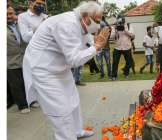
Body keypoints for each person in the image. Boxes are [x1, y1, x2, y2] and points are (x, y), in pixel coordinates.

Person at [22, 1, 110, 139]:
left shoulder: (81, 25)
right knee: (60, 108)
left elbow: (91, 43)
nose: (98, 25)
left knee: (73, 100)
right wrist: (97, 47)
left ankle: (76, 131)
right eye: (97, 21)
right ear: (86, 16)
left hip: (60, 67)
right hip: (42, 69)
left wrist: (97, 44)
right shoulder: (67, 24)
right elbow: (75, 60)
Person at [7, 6, 30, 114]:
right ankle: (22, 105)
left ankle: (31, 100)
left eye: (11, 13)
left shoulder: (21, 24)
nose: (9, 16)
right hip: (11, 60)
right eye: (6, 14)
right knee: (16, 84)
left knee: (28, 80)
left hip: (25, 58)